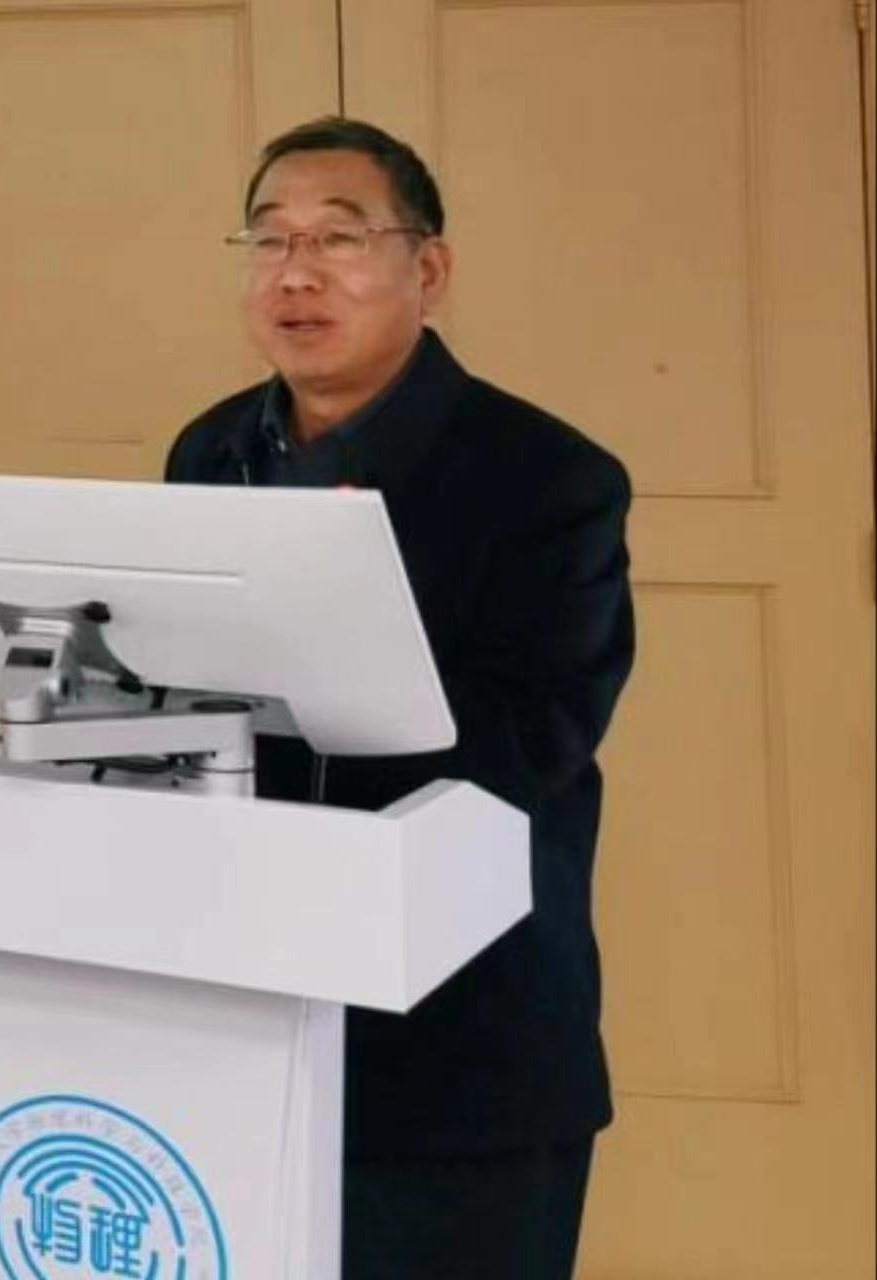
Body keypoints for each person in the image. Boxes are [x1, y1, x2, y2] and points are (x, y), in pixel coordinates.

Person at [163, 118, 635, 1277]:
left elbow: (533, 739)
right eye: (268, 240)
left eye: (337, 238)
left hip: (463, 1041)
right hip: (248, 1007)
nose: (296, 273)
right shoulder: (209, 453)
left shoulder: (548, 479)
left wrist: (322, 659)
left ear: (429, 268)